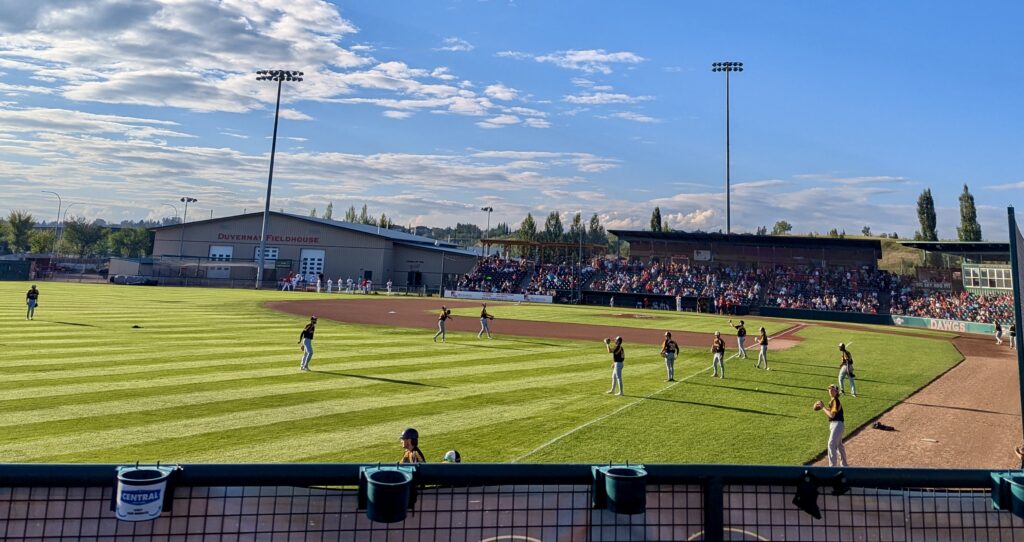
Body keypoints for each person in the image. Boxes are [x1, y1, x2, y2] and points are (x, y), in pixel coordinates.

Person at [816, 384, 849, 467]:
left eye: (832, 390)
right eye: (829, 389)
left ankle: (832, 466)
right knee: (839, 445)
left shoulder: (835, 401)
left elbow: (832, 415)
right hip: (837, 425)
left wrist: (823, 407)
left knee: (831, 444)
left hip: (837, 424)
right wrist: (823, 407)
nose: (830, 391)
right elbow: (831, 412)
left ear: (836, 391)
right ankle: (844, 465)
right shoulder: (833, 401)